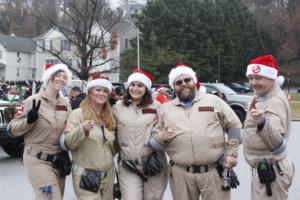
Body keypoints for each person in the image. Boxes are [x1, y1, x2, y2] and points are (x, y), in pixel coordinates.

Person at [150, 63, 242, 200]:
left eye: (187, 80)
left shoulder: (214, 101)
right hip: (181, 174)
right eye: (178, 82)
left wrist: (232, 154)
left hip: (213, 171)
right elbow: (153, 137)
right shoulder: (165, 109)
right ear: (173, 87)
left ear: (194, 81)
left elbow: (234, 125)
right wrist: (161, 136)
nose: (184, 84)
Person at [7, 63, 73, 200]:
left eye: (64, 77)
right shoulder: (32, 101)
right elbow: (12, 129)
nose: (61, 79)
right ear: (50, 77)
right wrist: (29, 121)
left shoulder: (65, 104)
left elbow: (70, 128)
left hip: (59, 161)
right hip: (37, 160)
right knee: (51, 198)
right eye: (58, 76)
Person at [243, 55, 294, 200]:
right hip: (269, 172)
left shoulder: (274, 102)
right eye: (251, 78)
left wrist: (263, 122)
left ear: (272, 78)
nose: (253, 83)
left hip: (272, 175)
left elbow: (278, 144)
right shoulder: (264, 95)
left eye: (259, 78)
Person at [113, 69, 168, 200]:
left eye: (140, 85)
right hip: (128, 165)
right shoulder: (118, 107)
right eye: (133, 84)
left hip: (154, 165)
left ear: (146, 89)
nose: (135, 88)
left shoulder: (158, 107)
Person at [60, 77, 117, 200]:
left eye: (105, 91)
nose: (101, 93)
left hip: (108, 174)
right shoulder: (77, 114)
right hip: (86, 174)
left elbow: (115, 146)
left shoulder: (111, 116)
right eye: (98, 90)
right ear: (90, 92)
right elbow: (68, 143)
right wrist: (82, 129)